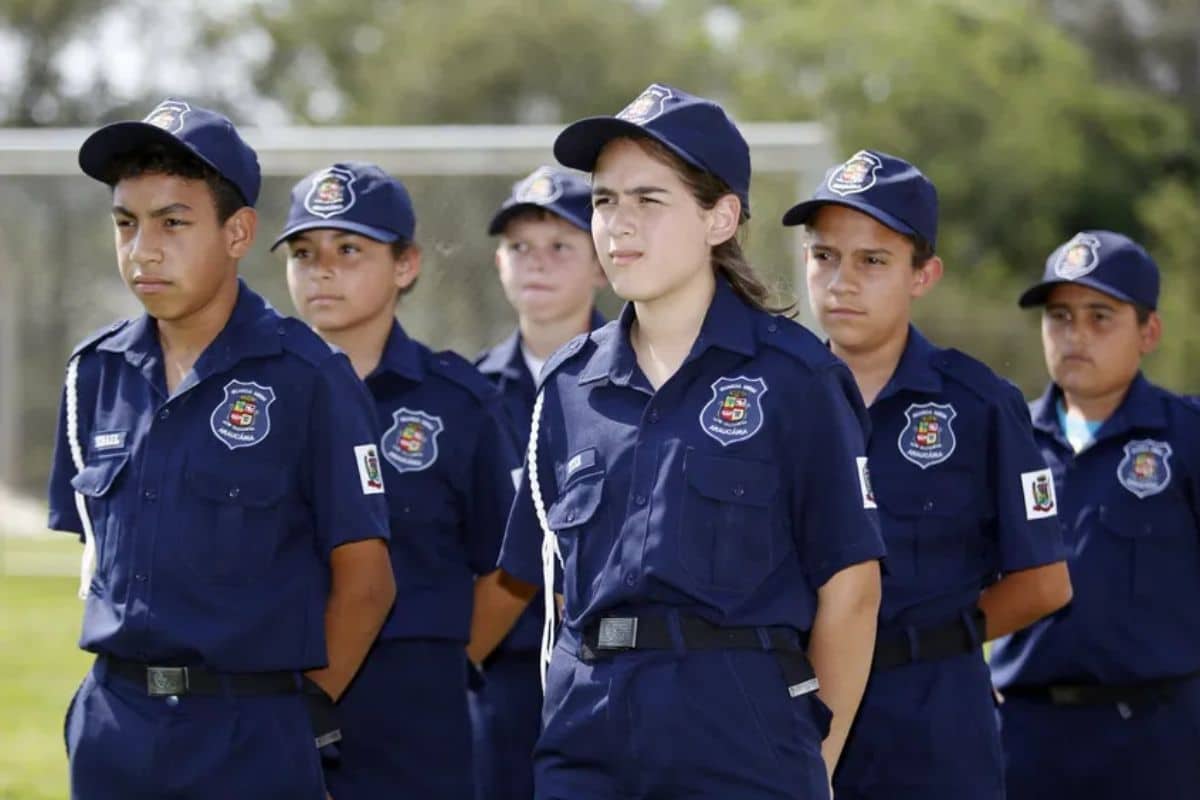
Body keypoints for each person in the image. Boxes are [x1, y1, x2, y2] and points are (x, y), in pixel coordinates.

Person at [472, 83, 885, 799]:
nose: (617, 225)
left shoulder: (797, 378)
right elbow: (557, 593)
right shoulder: (568, 386)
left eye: (648, 200)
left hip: (741, 738)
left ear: (719, 217)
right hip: (587, 740)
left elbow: (851, 592)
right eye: (604, 201)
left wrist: (814, 764)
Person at [47, 99, 395, 800]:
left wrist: (293, 717)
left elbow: (367, 582)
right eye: (126, 223)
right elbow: (93, 561)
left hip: (250, 734)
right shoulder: (94, 373)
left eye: (173, 223)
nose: (143, 249)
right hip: (114, 728)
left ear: (237, 233)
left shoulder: (307, 377)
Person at [784, 149, 1073, 800]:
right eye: (823, 255)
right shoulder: (766, 402)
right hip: (794, 712)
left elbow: (1043, 581)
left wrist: (936, 639)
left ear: (924, 274)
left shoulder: (978, 404)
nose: (841, 281)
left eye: (873, 261)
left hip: (931, 722)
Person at [275, 160, 520, 800]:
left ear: (405, 265)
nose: (322, 268)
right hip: (273, 703)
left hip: (412, 716)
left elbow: (510, 566)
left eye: (349, 249)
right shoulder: (254, 402)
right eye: (304, 252)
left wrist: (446, 654)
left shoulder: (458, 403)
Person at [989, 230, 1200, 799]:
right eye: (1059, 317)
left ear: (1148, 331)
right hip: (1027, 735)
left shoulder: (1187, 437)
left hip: (1159, 738)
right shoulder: (1006, 440)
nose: (1075, 335)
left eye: (1100, 316)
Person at [468, 165, 605, 800]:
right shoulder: (466, 395)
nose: (537, 264)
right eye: (519, 246)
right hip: (498, 681)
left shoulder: (645, 386)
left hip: (610, 677)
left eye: (560, 246)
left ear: (602, 260)